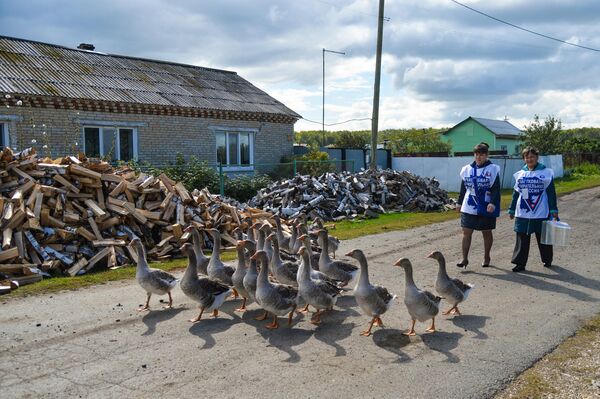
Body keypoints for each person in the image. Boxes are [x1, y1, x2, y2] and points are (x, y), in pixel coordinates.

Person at [508, 147, 558, 272]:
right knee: (522, 237)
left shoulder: (546, 172)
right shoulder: (520, 174)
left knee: (543, 237)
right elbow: (516, 193)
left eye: (531, 157)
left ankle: (547, 259)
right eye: (526, 157)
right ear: (524, 159)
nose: (529, 159)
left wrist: (553, 210)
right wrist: (512, 209)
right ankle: (520, 263)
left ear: (537, 158)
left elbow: (551, 193)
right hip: (523, 212)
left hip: (541, 211)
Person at [456, 142, 501, 268]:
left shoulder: (492, 169)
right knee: (466, 232)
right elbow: (463, 187)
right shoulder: (467, 169)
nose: (478, 157)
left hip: (486, 205)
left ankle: (486, 256)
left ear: (486, 155)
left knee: (486, 232)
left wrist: (492, 202)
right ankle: (464, 258)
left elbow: (496, 188)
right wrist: (459, 203)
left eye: (481, 154)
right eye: (476, 154)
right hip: (469, 205)